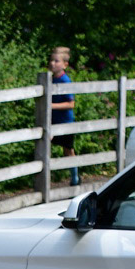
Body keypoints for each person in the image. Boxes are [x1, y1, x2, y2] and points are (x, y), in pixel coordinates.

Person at [49, 45, 80, 186]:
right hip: (52, 121)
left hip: (65, 122)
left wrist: (51, 106)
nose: (52, 63)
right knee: (44, 146)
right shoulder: (49, 79)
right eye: (51, 60)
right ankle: (46, 178)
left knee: (68, 150)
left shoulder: (65, 80)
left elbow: (71, 103)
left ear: (65, 65)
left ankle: (75, 178)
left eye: (56, 61)